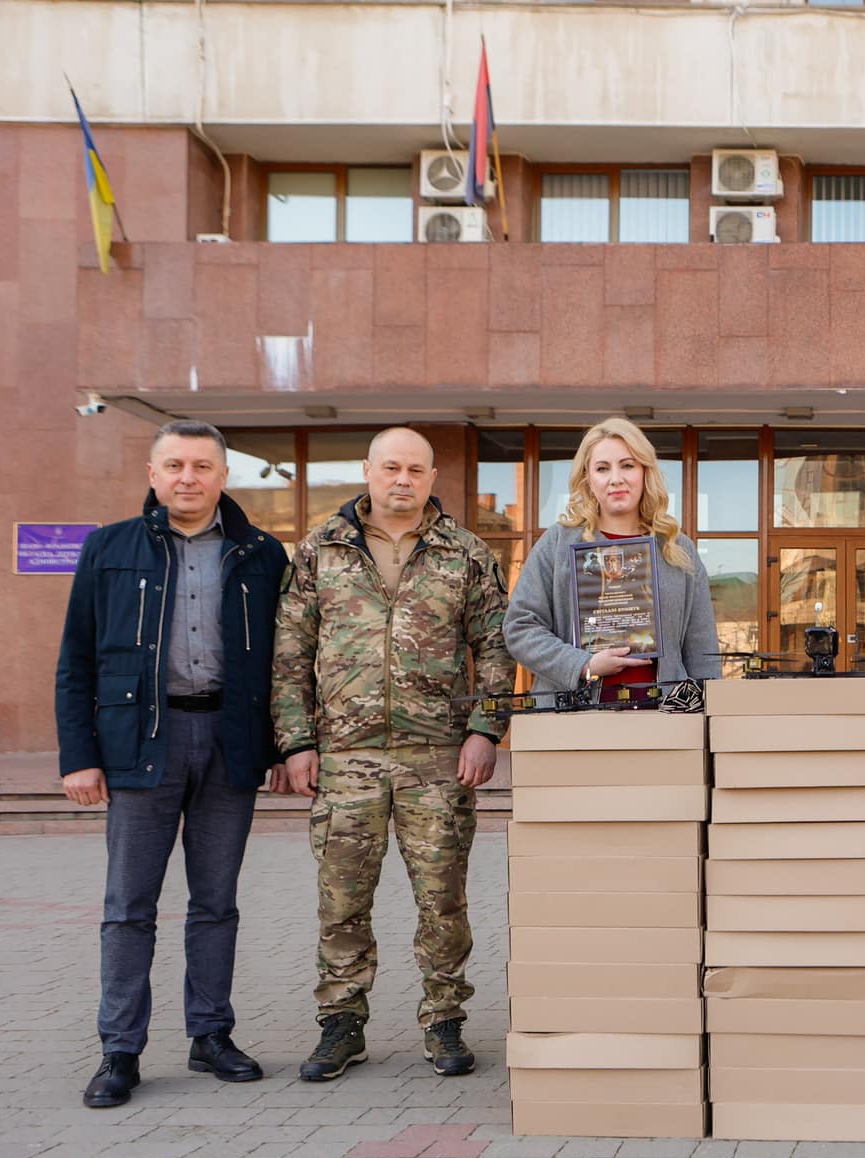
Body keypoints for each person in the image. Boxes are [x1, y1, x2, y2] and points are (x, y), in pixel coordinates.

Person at [54, 419, 289, 1108]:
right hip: (138, 747)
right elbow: (76, 661)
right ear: (153, 475)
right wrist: (79, 757)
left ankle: (211, 1034)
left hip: (229, 741)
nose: (188, 477)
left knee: (216, 904)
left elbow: (282, 661)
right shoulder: (109, 549)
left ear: (224, 476)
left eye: (202, 466)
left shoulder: (262, 553)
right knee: (129, 907)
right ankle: (120, 1050)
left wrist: (279, 746)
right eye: (175, 465)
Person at [273, 427, 513, 1082]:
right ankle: (341, 1023)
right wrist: (296, 742)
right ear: (367, 471)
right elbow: (290, 655)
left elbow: (496, 647)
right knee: (341, 899)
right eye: (390, 467)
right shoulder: (321, 551)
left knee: (442, 899)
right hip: (344, 756)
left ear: (433, 477)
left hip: (437, 756)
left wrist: (485, 730)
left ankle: (444, 1020)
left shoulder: (465, 554)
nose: (401, 479)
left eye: (414, 469)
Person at [503, 417, 721, 696]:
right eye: (603, 468)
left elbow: (702, 650)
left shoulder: (677, 549)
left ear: (644, 471)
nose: (616, 479)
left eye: (627, 465)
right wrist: (584, 664)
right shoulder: (558, 543)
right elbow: (520, 627)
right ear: (588, 479)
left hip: (664, 723)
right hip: (572, 724)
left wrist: (706, 719)